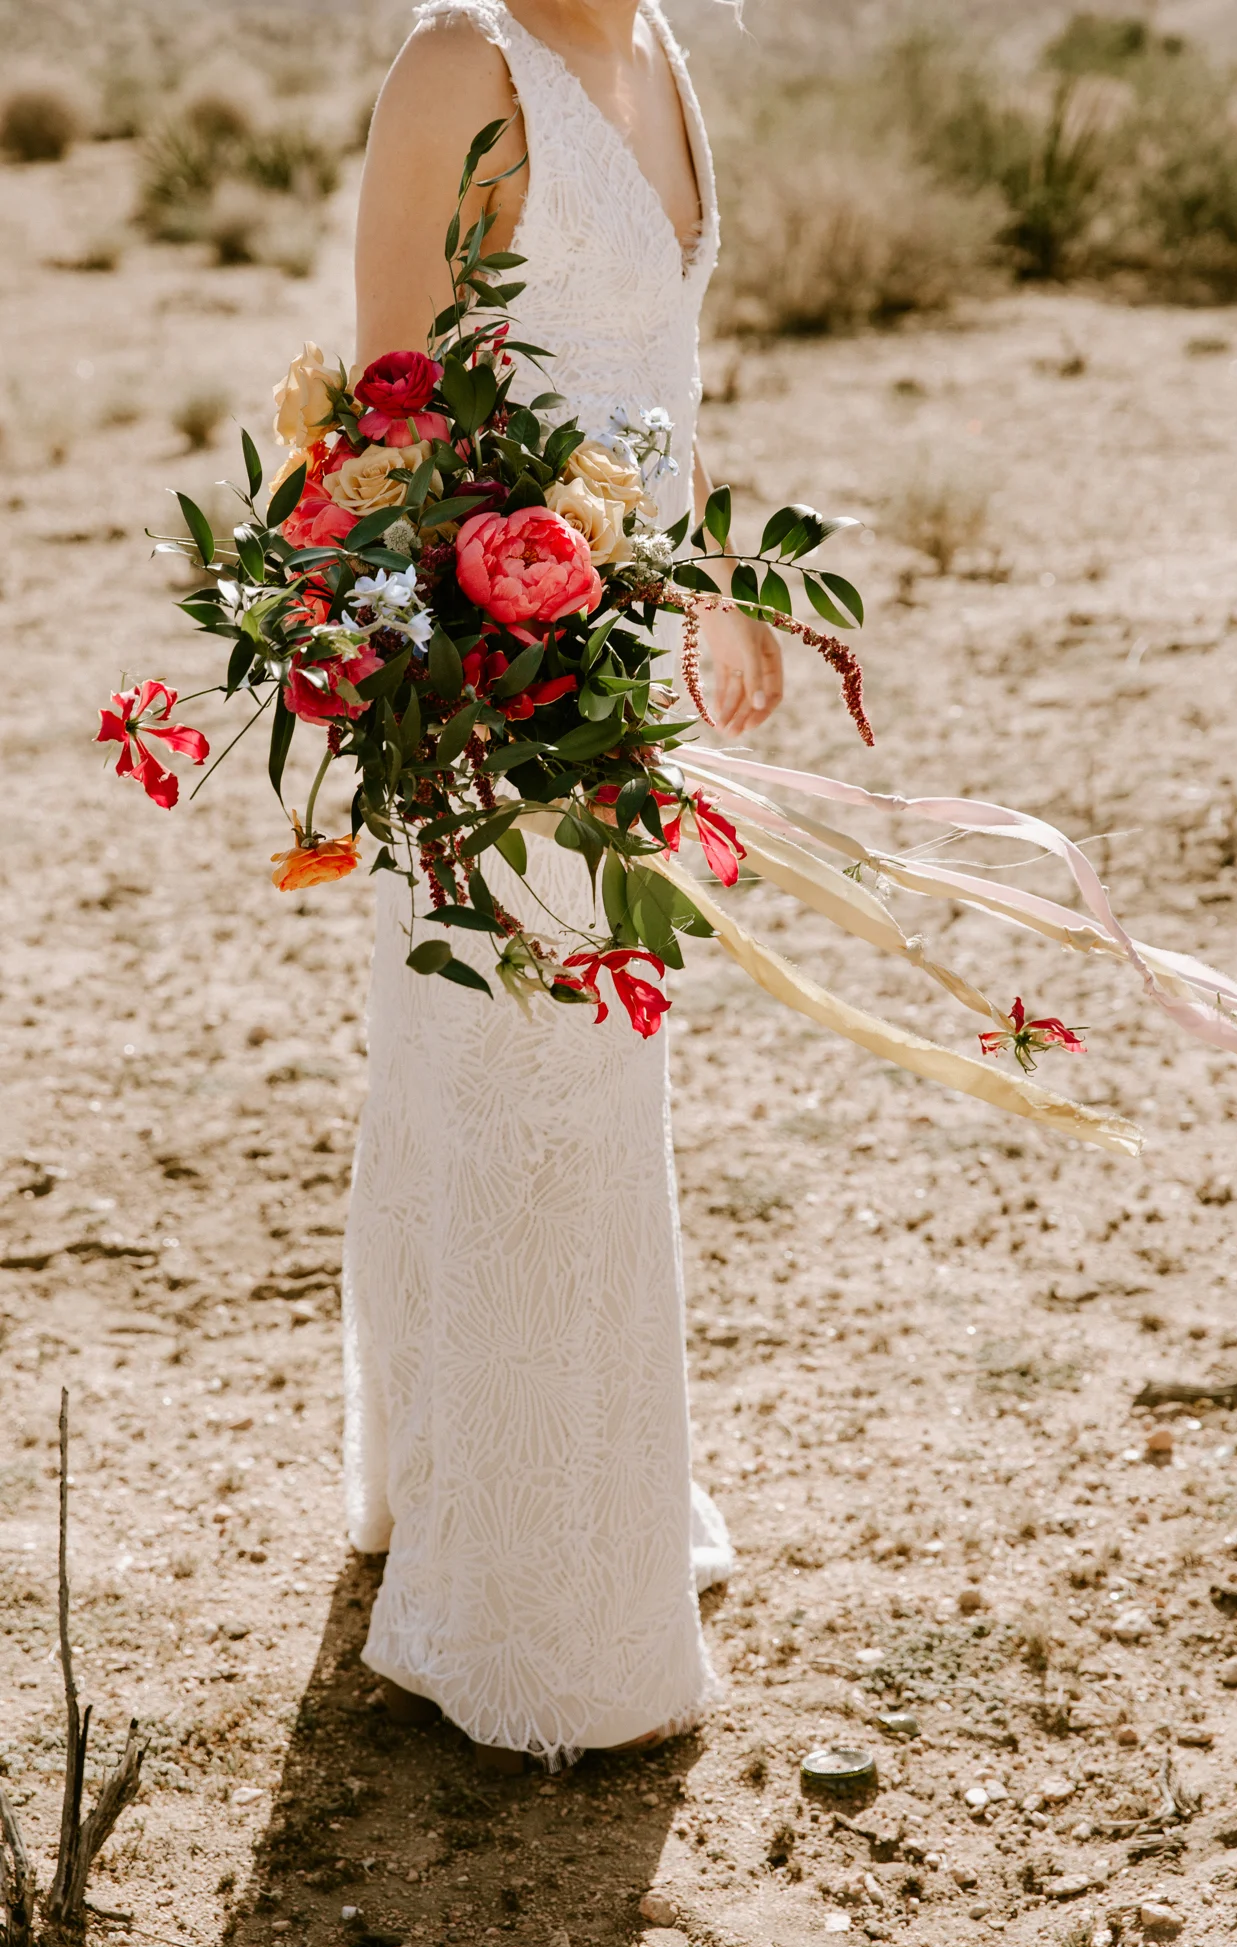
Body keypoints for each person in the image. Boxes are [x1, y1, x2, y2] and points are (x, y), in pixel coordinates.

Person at [342, 0, 782, 1770]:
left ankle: (503, 1499)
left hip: (623, 680)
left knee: (595, 1086)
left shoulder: (665, 52)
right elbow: (388, 419)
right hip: (490, 688)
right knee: (515, 1090)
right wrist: (521, 651)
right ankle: (534, 1614)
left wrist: (716, 581)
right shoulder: (465, 66)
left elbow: (661, 386)